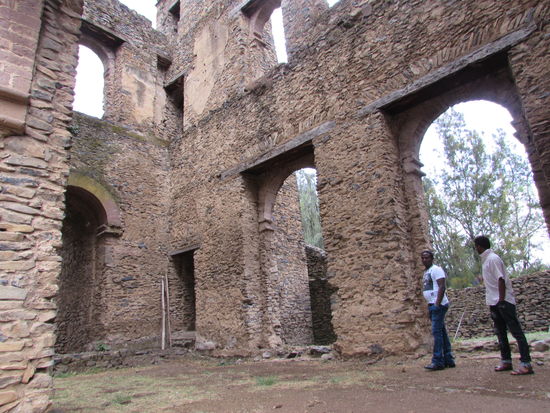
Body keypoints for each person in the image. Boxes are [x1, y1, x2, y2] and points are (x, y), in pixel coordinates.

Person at [474, 236, 534, 375]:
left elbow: (500, 279)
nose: (475, 248)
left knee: (516, 332)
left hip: (503, 301)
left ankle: (526, 363)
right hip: (494, 301)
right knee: (501, 332)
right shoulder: (486, 260)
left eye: (476, 246)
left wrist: (501, 300)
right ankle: (506, 360)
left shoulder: (493, 259)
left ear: (479, 246)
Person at [421, 250, 455, 370]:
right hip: (432, 304)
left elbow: (442, 286)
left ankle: (438, 360)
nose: (425, 260)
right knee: (442, 332)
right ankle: (448, 359)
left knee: (436, 333)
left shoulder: (436, 269)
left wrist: (437, 303)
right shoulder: (427, 272)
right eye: (423, 258)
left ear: (432, 258)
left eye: (427, 258)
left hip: (438, 305)